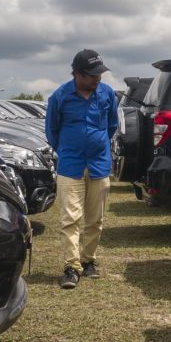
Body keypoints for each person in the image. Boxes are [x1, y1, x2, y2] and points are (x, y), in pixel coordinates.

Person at [45, 48, 119, 289]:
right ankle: (71, 266)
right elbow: (52, 131)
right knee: (70, 219)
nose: (98, 78)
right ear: (77, 74)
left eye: (99, 74)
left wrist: (97, 145)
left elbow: (111, 126)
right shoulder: (60, 96)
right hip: (70, 165)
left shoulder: (107, 94)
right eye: (92, 74)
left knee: (95, 220)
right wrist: (69, 148)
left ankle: (89, 261)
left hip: (99, 164)